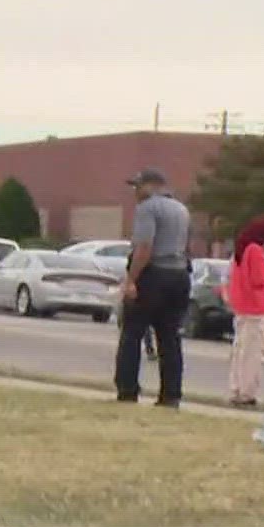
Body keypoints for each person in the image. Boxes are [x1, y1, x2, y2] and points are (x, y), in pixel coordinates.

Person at [114, 168, 192, 407]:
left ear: (152, 186)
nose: (135, 192)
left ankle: (127, 390)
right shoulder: (181, 209)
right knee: (170, 337)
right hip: (179, 275)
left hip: (154, 274)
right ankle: (171, 395)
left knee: (132, 333)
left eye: (138, 186)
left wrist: (131, 280)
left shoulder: (148, 208)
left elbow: (144, 248)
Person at [224, 216, 264, 407]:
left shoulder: (241, 251)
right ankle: (247, 392)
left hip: (241, 306)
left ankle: (237, 388)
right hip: (255, 307)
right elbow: (259, 279)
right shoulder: (256, 251)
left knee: (240, 350)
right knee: (254, 353)